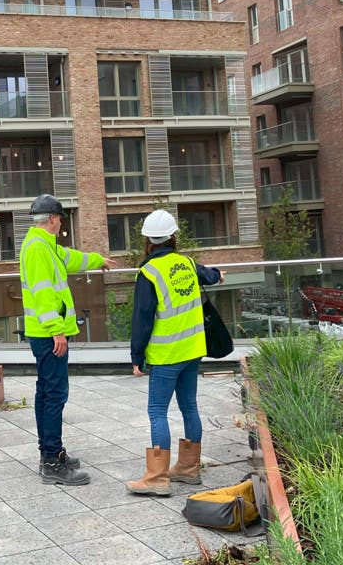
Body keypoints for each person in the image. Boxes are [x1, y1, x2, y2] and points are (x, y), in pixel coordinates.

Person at [20, 193, 117, 486]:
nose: (62, 222)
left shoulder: (46, 246)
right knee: (55, 394)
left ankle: (51, 453)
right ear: (52, 218)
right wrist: (56, 330)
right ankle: (51, 461)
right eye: (60, 217)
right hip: (49, 334)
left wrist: (99, 260)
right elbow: (43, 292)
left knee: (46, 393)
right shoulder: (37, 248)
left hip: (45, 333)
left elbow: (72, 258)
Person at [126, 209, 223, 497]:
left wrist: (136, 356)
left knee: (157, 411)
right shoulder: (186, 263)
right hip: (193, 350)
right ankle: (189, 469)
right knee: (189, 407)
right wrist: (218, 275)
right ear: (172, 236)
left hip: (166, 354)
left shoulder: (148, 273)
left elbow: (142, 319)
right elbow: (209, 275)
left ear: (147, 240)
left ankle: (156, 478)